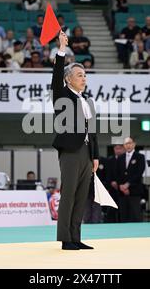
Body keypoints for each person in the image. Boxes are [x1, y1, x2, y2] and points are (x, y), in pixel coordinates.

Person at [51, 31, 99, 250]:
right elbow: (57, 74)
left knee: (81, 198)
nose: (84, 78)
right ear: (69, 79)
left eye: (85, 75)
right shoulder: (62, 95)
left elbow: (93, 130)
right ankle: (65, 239)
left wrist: (95, 156)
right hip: (70, 152)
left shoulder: (88, 101)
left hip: (87, 153)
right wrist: (62, 49)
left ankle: (76, 237)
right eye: (79, 75)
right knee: (68, 195)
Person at [115, 137, 146, 223]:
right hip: (122, 192)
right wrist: (121, 185)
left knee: (135, 215)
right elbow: (117, 173)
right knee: (123, 215)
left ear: (134, 144)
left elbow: (139, 173)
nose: (128, 145)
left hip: (134, 190)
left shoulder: (140, 157)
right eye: (126, 144)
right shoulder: (120, 158)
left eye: (129, 143)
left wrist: (128, 185)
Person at [104, 144, 125, 223]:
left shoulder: (125, 159)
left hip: (122, 188)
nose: (118, 150)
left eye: (120, 148)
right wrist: (111, 183)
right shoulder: (109, 160)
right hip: (111, 188)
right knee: (111, 208)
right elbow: (107, 173)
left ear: (123, 149)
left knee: (122, 208)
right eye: (116, 148)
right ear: (114, 149)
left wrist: (119, 183)